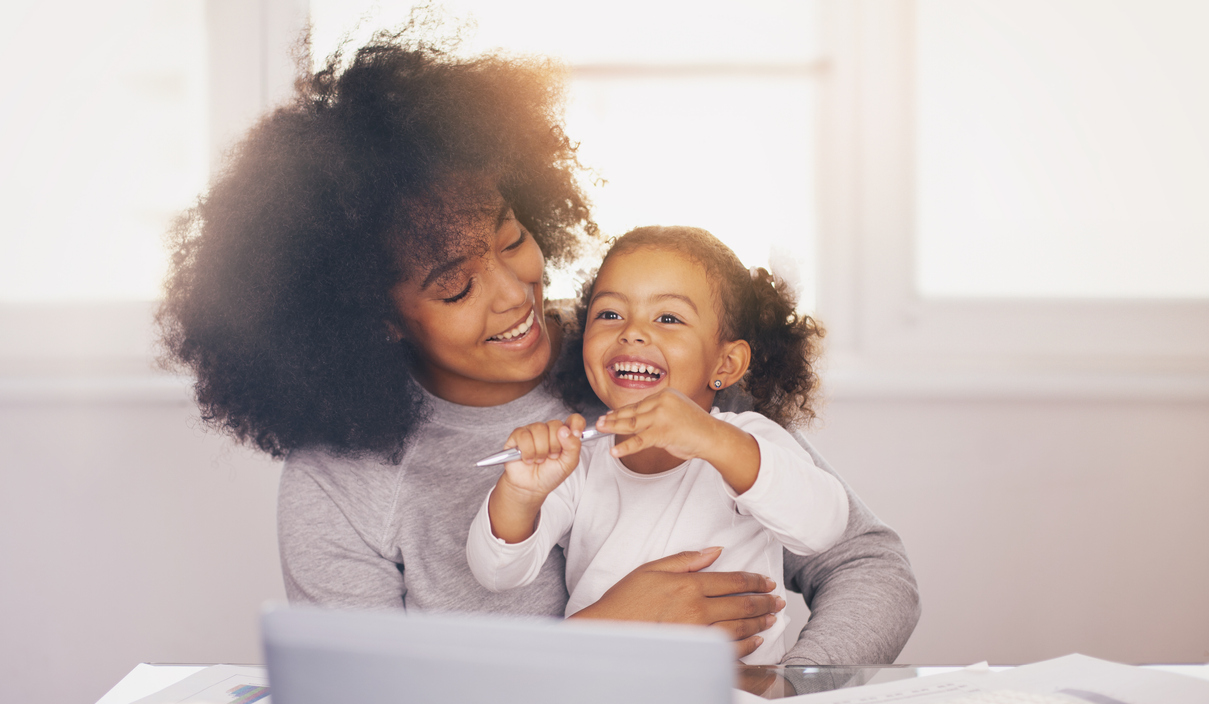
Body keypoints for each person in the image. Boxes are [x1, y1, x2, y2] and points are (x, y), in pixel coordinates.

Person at [157, 25, 920, 664]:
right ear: (372, 315)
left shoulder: (648, 365)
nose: (514, 292)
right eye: (453, 286)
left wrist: (790, 698)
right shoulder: (341, 483)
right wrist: (603, 635)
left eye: (513, 238)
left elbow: (864, 563)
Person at [466, 227, 849, 664]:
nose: (632, 333)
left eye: (668, 318)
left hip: (737, 703)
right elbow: (497, 572)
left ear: (726, 363)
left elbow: (825, 525)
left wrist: (711, 440)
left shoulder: (746, 441)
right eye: (610, 314)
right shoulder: (579, 461)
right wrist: (520, 493)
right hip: (605, 697)